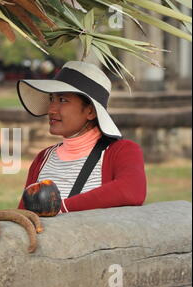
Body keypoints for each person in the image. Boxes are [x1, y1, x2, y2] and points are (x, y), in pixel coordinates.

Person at [17, 61, 147, 214]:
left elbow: (132, 190)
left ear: (90, 111)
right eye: (51, 99)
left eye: (63, 100)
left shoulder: (121, 151)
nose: (51, 109)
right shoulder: (43, 157)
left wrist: (61, 208)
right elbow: (24, 213)